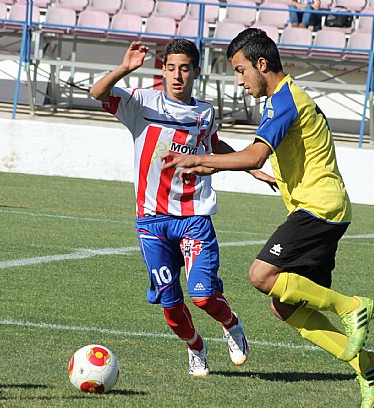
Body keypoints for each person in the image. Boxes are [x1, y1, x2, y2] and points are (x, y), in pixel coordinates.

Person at [162, 28, 374, 408]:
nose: (239, 80)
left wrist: (198, 161)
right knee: (284, 307)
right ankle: (368, 366)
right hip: (322, 209)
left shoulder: (284, 100)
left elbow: (254, 156)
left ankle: (352, 306)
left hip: (319, 208)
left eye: (240, 70)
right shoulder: (281, 100)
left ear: (261, 64)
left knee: (261, 275)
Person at [89, 39, 277, 376]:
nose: (177, 76)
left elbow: (213, 144)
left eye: (185, 68)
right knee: (171, 305)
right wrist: (124, 69)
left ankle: (231, 325)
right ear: (162, 70)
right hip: (151, 221)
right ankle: (195, 347)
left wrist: (251, 168)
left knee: (203, 296)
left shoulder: (205, 113)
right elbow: (97, 93)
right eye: (171, 68)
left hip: (193, 217)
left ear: (196, 72)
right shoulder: (140, 102)